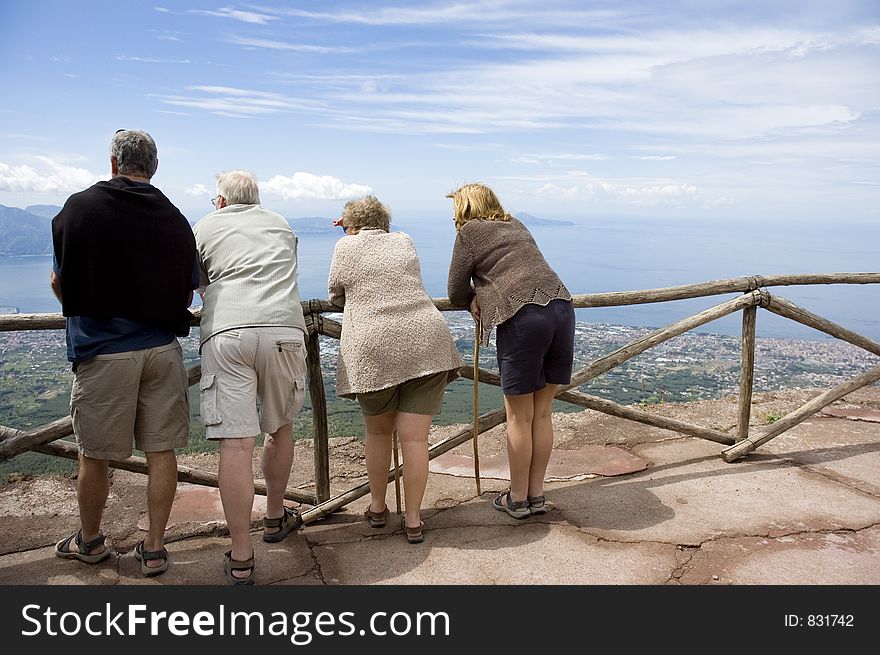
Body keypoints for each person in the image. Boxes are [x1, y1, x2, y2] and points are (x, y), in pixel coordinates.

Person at [51, 129, 197, 576]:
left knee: (93, 454)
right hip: (162, 349)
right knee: (161, 452)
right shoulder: (174, 217)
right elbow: (190, 284)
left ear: (113, 163)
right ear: (153, 168)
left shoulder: (80, 208)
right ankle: (154, 548)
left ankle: (91, 542)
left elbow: (62, 282)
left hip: (104, 350)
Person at [193, 170, 308, 585]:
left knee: (237, 446)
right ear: (255, 199)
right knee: (279, 427)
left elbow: (201, 285)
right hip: (283, 329)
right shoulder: (280, 223)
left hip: (227, 331)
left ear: (220, 201)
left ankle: (242, 556)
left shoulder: (204, 227)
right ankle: (276, 517)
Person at [328, 196, 462, 543]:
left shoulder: (346, 246)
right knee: (415, 439)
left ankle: (377, 507)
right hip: (426, 339)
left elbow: (335, 294)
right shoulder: (404, 240)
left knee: (378, 434)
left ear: (351, 223)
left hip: (375, 348)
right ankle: (414, 520)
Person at [446, 183, 575, 519]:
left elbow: (455, 290)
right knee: (542, 412)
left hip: (525, 317)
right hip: (561, 308)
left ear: (465, 207)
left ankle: (517, 499)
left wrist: (475, 296)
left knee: (519, 416)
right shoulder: (516, 224)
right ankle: (536, 496)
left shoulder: (470, 232)